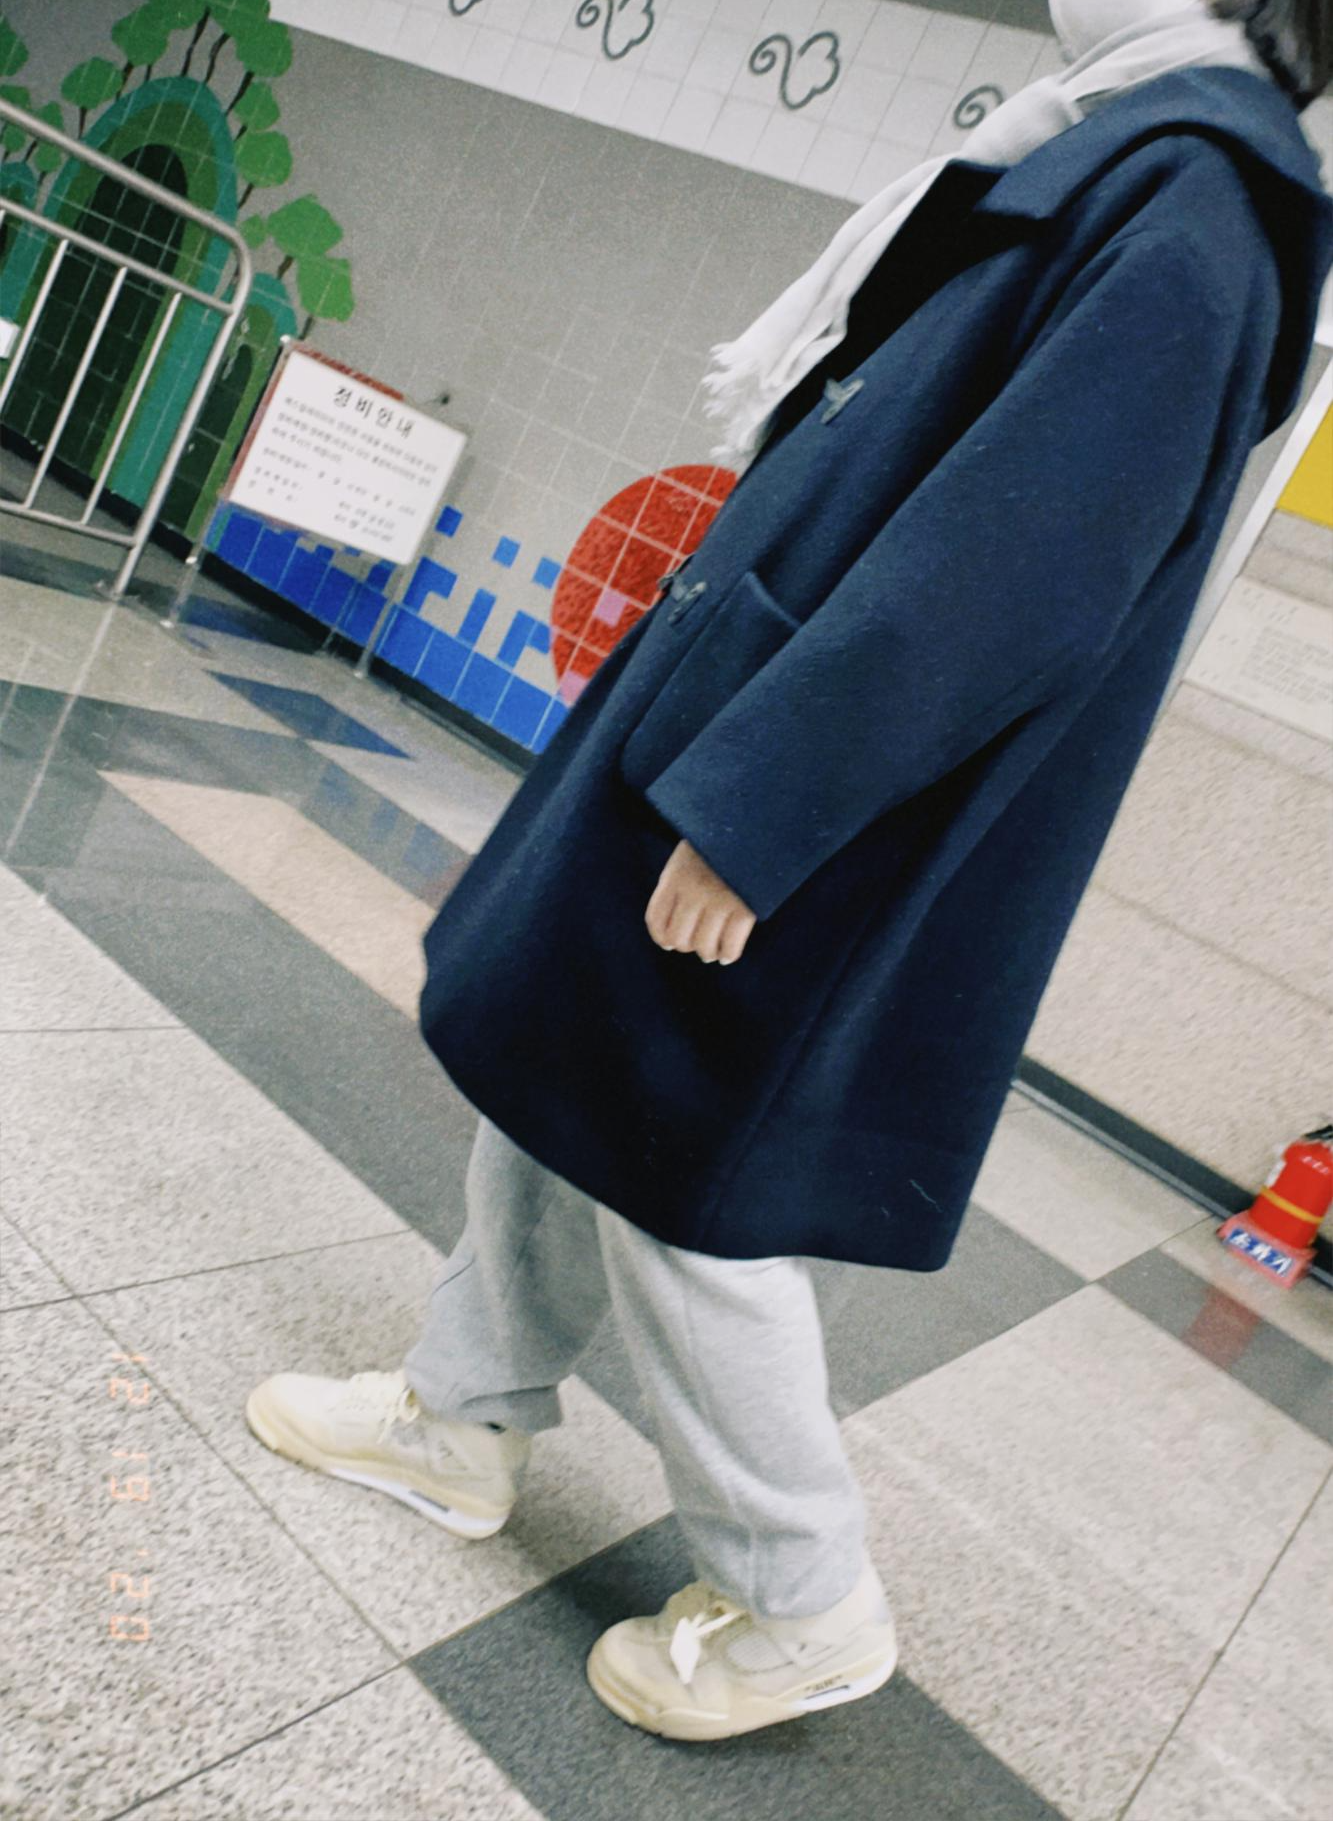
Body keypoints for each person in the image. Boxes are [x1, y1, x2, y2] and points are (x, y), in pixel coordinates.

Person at [247, 1, 1333, 1744]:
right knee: (569, 1059)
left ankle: (802, 1595)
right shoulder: (1140, 158)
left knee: (683, 1159)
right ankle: (462, 1414)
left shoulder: (1201, 202)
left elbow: (1014, 568)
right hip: (759, 722)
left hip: (815, 783)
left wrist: (767, 809)